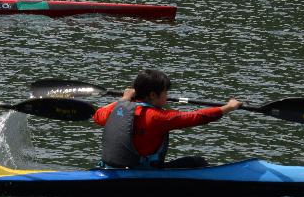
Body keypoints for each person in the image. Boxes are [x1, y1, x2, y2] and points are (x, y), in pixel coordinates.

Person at [93, 69, 241, 170]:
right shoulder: (158, 118)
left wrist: (124, 99)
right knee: (197, 162)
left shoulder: (118, 109)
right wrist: (227, 107)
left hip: (111, 169)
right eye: (165, 91)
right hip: (143, 173)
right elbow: (197, 117)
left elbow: (97, 115)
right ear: (152, 95)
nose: (167, 95)